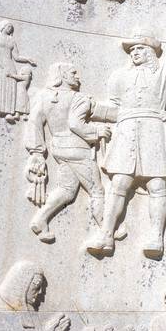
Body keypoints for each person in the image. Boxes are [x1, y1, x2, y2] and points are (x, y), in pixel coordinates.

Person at [87, 0, 166, 257]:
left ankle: (156, 237)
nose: (134, 52)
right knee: (119, 182)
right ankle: (106, 234)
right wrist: (94, 109)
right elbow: (114, 108)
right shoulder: (119, 77)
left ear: (151, 51)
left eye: (140, 48)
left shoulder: (162, 72)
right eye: (132, 49)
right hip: (126, 131)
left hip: (153, 130)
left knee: (157, 185)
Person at [24, 62, 109, 242]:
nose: (77, 77)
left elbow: (34, 123)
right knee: (96, 190)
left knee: (67, 190)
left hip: (59, 148)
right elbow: (77, 123)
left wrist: (37, 152)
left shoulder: (44, 97)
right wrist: (97, 131)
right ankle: (106, 230)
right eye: (73, 73)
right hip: (78, 150)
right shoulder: (78, 98)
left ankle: (40, 219)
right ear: (62, 75)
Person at [0, 22, 35, 121]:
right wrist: (2, 66)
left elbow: (16, 57)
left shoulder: (11, 40)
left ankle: (8, 112)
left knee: (9, 88)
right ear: (3, 26)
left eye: (11, 28)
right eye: (8, 26)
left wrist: (27, 59)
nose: (10, 28)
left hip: (10, 65)